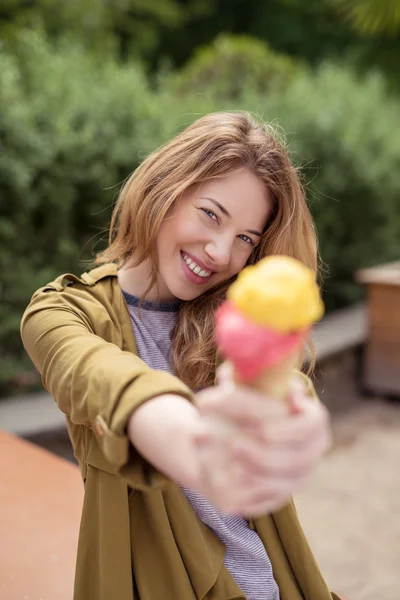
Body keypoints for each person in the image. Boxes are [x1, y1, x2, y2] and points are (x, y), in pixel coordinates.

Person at [21, 112, 341, 600]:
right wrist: (193, 442)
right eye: (211, 214)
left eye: (245, 239)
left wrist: (293, 413)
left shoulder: (230, 318)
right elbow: (102, 379)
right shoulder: (61, 313)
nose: (218, 252)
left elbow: (275, 385)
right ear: (166, 188)